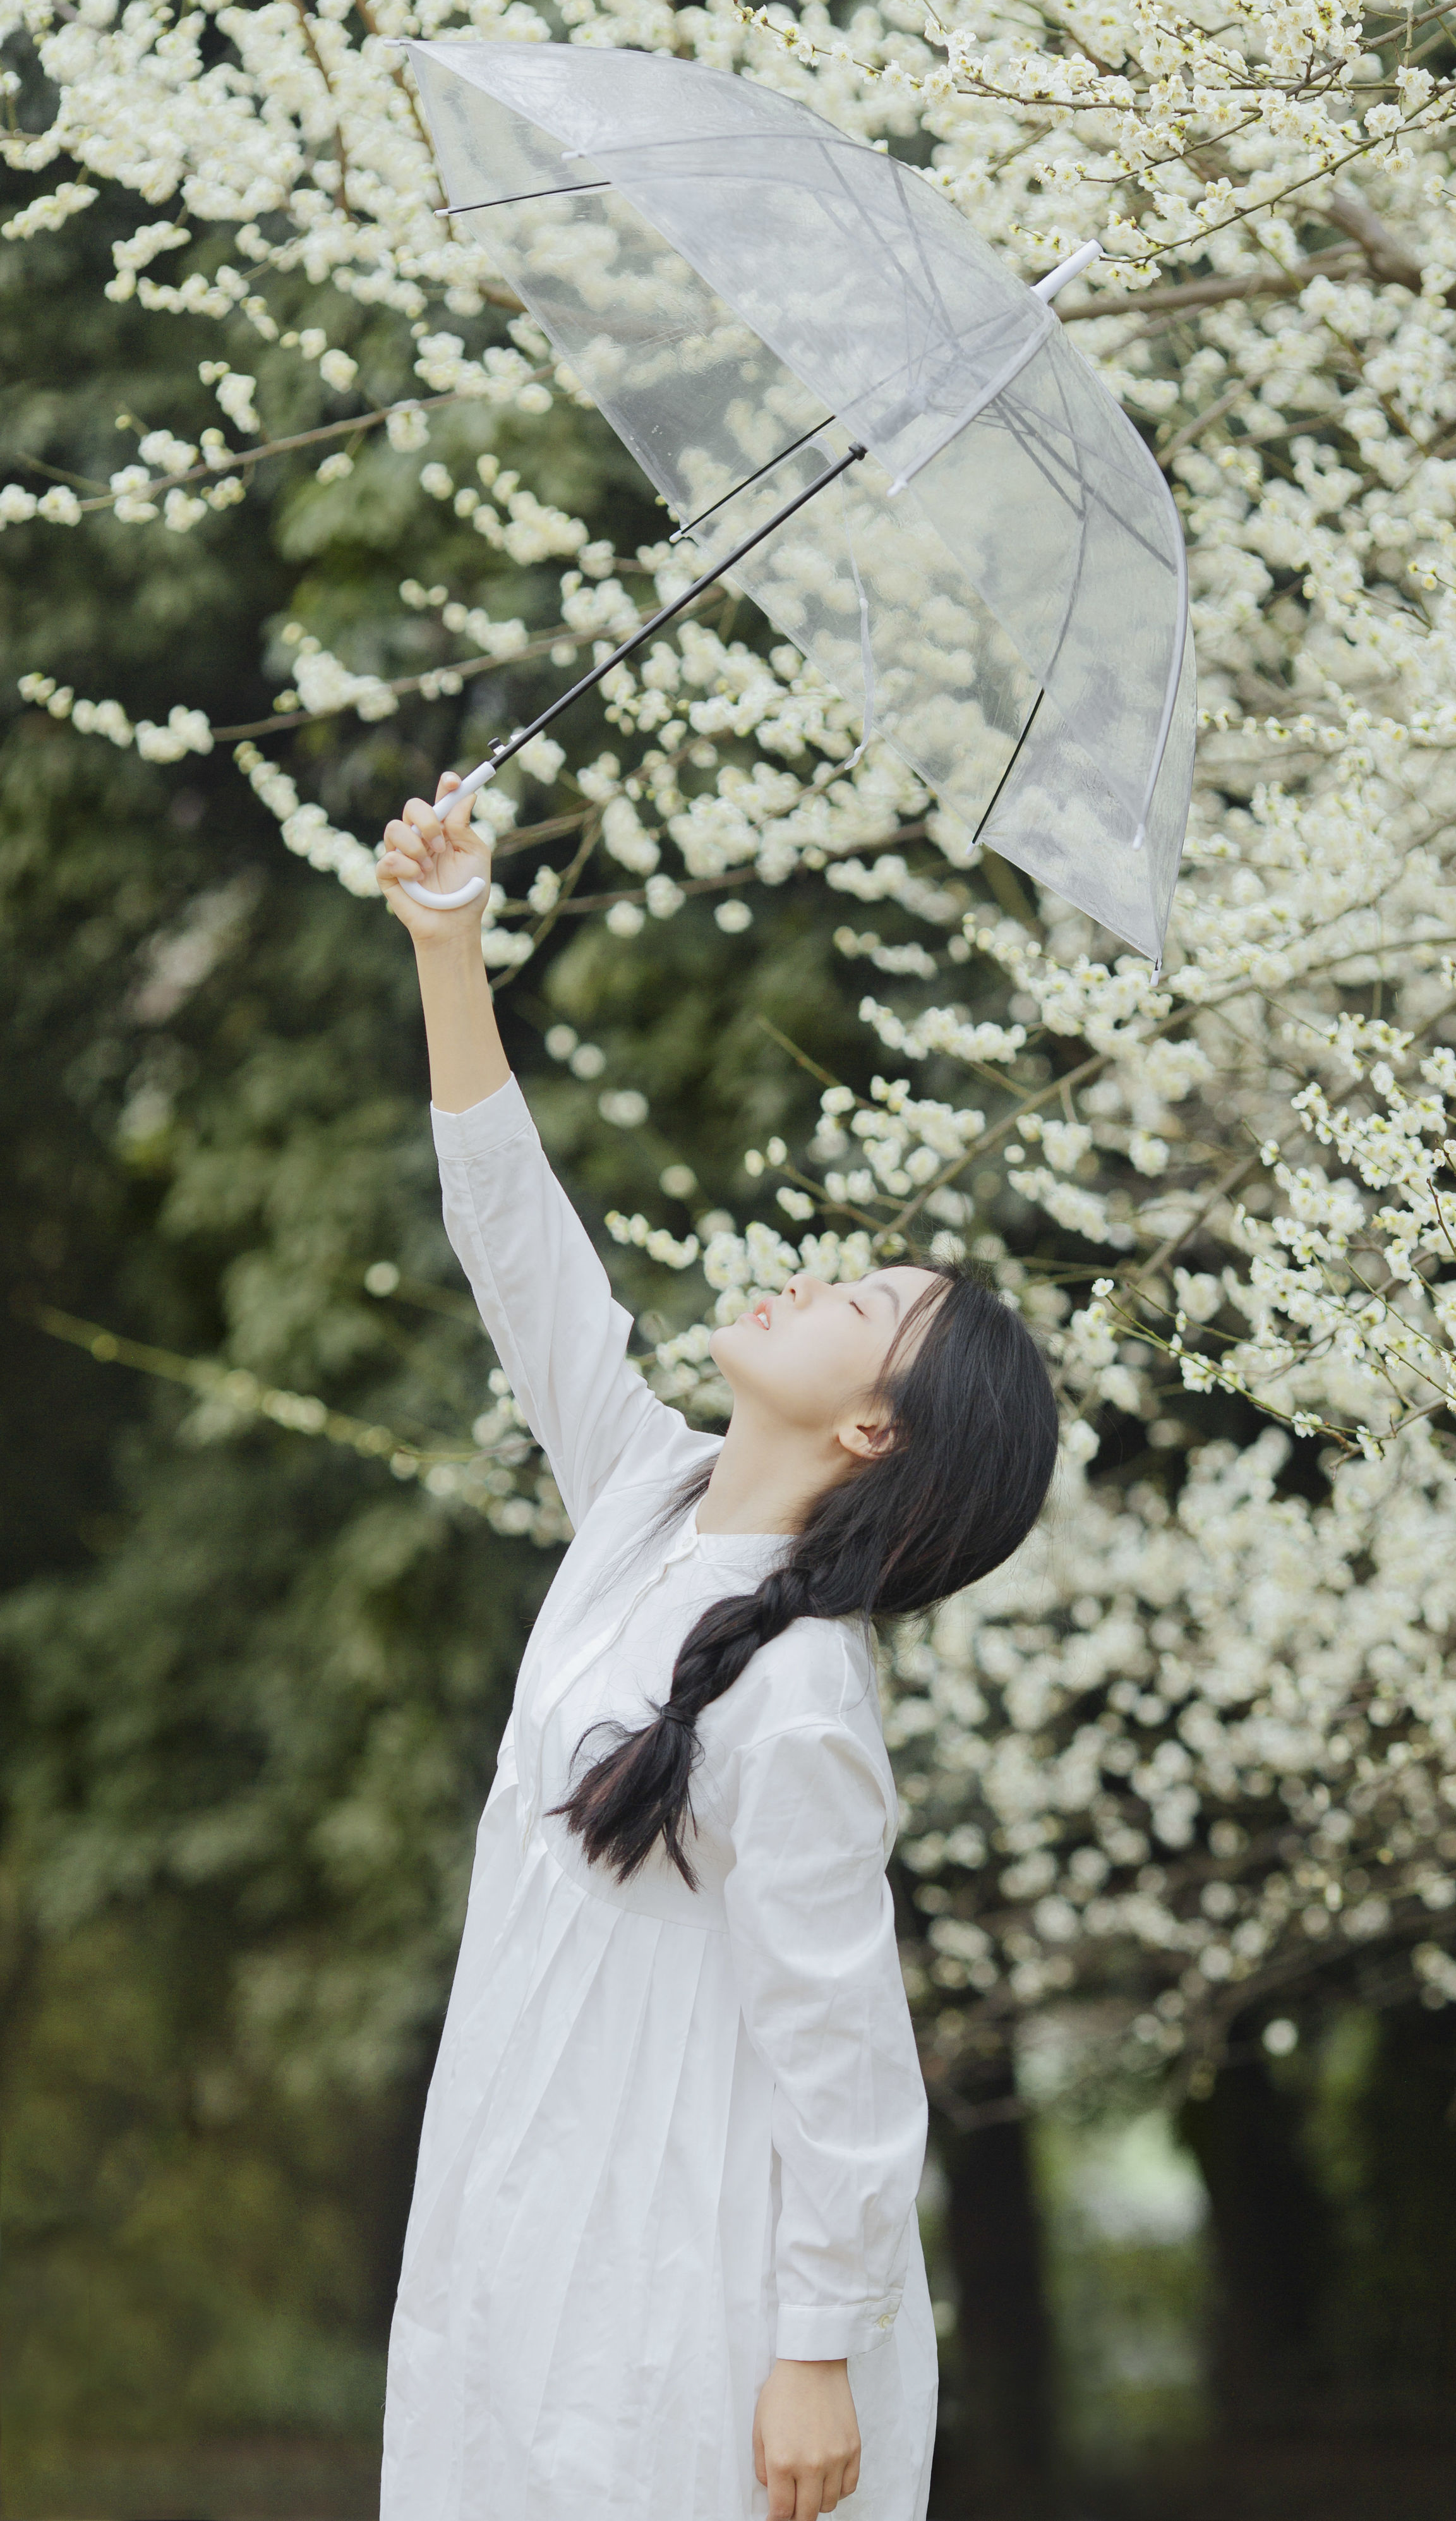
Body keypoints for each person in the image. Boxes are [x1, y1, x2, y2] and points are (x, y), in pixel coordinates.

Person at [374, 777, 1059, 2521]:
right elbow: (523, 1259)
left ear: (877, 1434)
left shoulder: (802, 1693)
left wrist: (818, 2344)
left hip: (685, 2253)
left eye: (854, 1308)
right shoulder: (643, 1500)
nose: (806, 1282)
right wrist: (452, 950)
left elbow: (842, 2042)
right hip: (521, 2190)